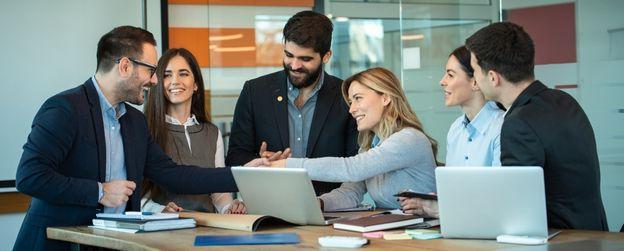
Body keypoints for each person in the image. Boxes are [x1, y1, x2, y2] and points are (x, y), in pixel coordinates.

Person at [14, 26, 239, 250]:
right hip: (58, 244)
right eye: (151, 70)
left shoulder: (135, 122)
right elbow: (30, 176)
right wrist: (100, 191)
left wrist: (246, 175)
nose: (154, 81)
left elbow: (175, 175)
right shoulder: (65, 109)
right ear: (124, 66)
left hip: (114, 244)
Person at [465, 22, 607, 230]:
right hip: (595, 235)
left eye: (475, 71)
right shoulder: (564, 101)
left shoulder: (519, 123)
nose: (475, 80)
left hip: (559, 240)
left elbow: (519, 209)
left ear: (493, 77)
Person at [226, 10, 358, 195]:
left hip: (330, 209)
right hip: (268, 204)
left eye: (305, 59)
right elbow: (235, 156)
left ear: (326, 56)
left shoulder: (346, 96)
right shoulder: (255, 92)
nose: (294, 65)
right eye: (289, 55)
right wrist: (260, 162)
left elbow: (355, 163)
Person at [269, 67, 438, 211]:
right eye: (351, 101)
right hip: (395, 233)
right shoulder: (370, 146)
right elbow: (350, 192)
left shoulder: (408, 139)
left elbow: (352, 168)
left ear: (386, 98)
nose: (351, 109)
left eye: (358, 98)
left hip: (425, 236)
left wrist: (286, 165)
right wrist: (318, 203)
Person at [399, 46, 505, 216]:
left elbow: (501, 199)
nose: (442, 81)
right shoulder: (456, 129)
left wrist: (439, 209)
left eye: (450, 75)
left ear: (475, 82)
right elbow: (456, 192)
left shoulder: (502, 127)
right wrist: (431, 202)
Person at [142, 48, 245, 214]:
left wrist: (229, 207)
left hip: (208, 229)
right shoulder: (145, 129)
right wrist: (159, 210)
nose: (175, 81)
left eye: (183, 74)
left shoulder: (212, 133)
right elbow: (137, 194)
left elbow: (218, 192)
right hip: (163, 229)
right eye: (167, 75)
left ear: (196, 84)